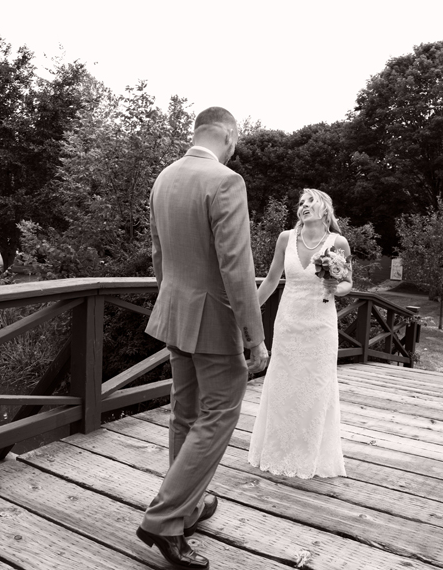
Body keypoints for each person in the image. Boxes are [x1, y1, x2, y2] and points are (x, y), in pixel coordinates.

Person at [136, 107, 269, 570]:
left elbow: (158, 254)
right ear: (229, 136)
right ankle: (164, 519)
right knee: (218, 414)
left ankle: (188, 507)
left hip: (174, 313)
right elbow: (237, 266)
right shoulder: (226, 181)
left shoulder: (163, 179)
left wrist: (173, 301)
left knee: (185, 413)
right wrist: (254, 336)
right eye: (237, 142)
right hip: (213, 319)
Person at [248, 188, 351, 478]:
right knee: (284, 385)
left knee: (316, 388)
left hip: (321, 327)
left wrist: (335, 286)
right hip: (289, 323)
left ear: (325, 210)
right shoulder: (285, 238)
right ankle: (277, 451)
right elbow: (271, 280)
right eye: (301, 203)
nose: (304, 206)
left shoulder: (337, 242)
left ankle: (310, 455)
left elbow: (348, 283)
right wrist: (248, 313)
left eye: (310, 202)